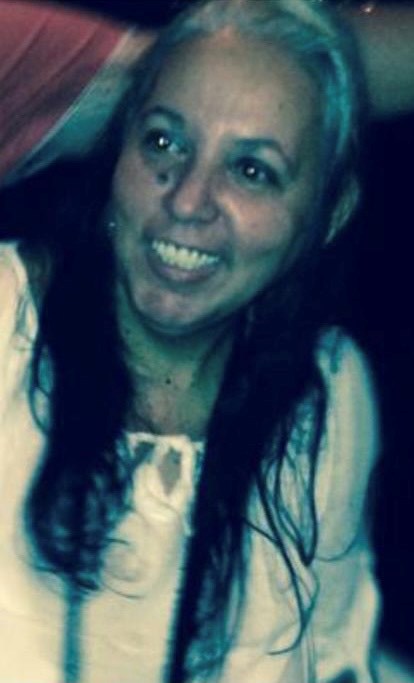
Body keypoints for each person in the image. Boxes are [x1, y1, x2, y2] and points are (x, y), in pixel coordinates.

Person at [0, 0, 380, 682]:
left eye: (252, 170)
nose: (186, 201)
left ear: (329, 213)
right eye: (164, 143)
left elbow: (333, 659)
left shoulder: (325, 394)